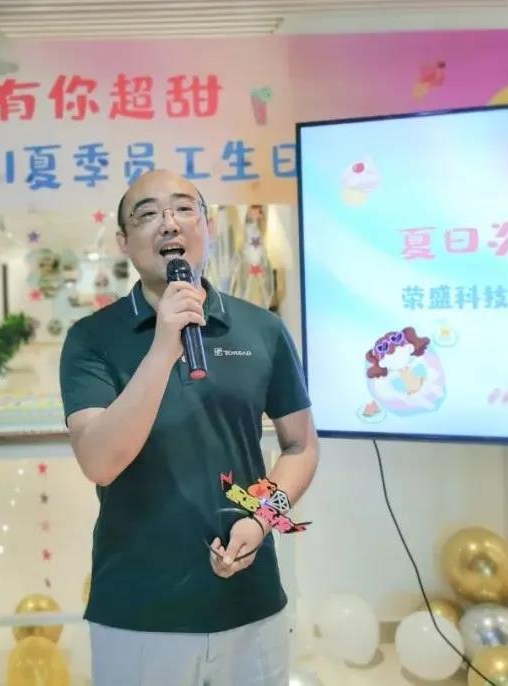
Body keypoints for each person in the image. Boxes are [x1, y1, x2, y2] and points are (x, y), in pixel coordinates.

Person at [59, 169, 319, 685]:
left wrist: (262, 519)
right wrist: (163, 346)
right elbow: (99, 462)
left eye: (183, 208)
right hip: (138, 612)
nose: (169, 223)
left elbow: (300, 447)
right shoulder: (92, 339)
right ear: (123, 242)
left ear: (206, 225)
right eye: (147, 214)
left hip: (249, 604)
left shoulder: (263, 329)